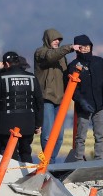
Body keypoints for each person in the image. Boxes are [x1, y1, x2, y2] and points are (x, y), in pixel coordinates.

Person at [0, 51, 41, 163]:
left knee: (10, 152)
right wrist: (38, 124)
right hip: (28, 122)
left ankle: (12, 176)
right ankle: (29, 176)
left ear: (6, 64)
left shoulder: (2, 79)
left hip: (7, 123)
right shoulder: (32, 78)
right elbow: (38, 102)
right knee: (26, 151)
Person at [66, 34, 103, 161]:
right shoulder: (73, 65)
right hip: (83, 107)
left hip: (100, 105)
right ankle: (79, 160)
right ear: (77, 49)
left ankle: (99, 160)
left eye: (87, 46)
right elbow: (71, 89)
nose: (86, 49)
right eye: (82, 47)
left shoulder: (99, 62)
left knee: (100, 136)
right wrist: (81, 101)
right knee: (80, 136)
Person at [33, 29, 77, 162]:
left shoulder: (62, 57)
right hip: (46, 99)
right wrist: (69, 47)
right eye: (55, 39)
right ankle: (47, 162)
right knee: (47, 134)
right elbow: (51, 56)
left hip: (61, 100)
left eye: (59, 39)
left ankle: (51, 160)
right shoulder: (40, 52)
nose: (57, 41)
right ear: (48, 39)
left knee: (59, 136)